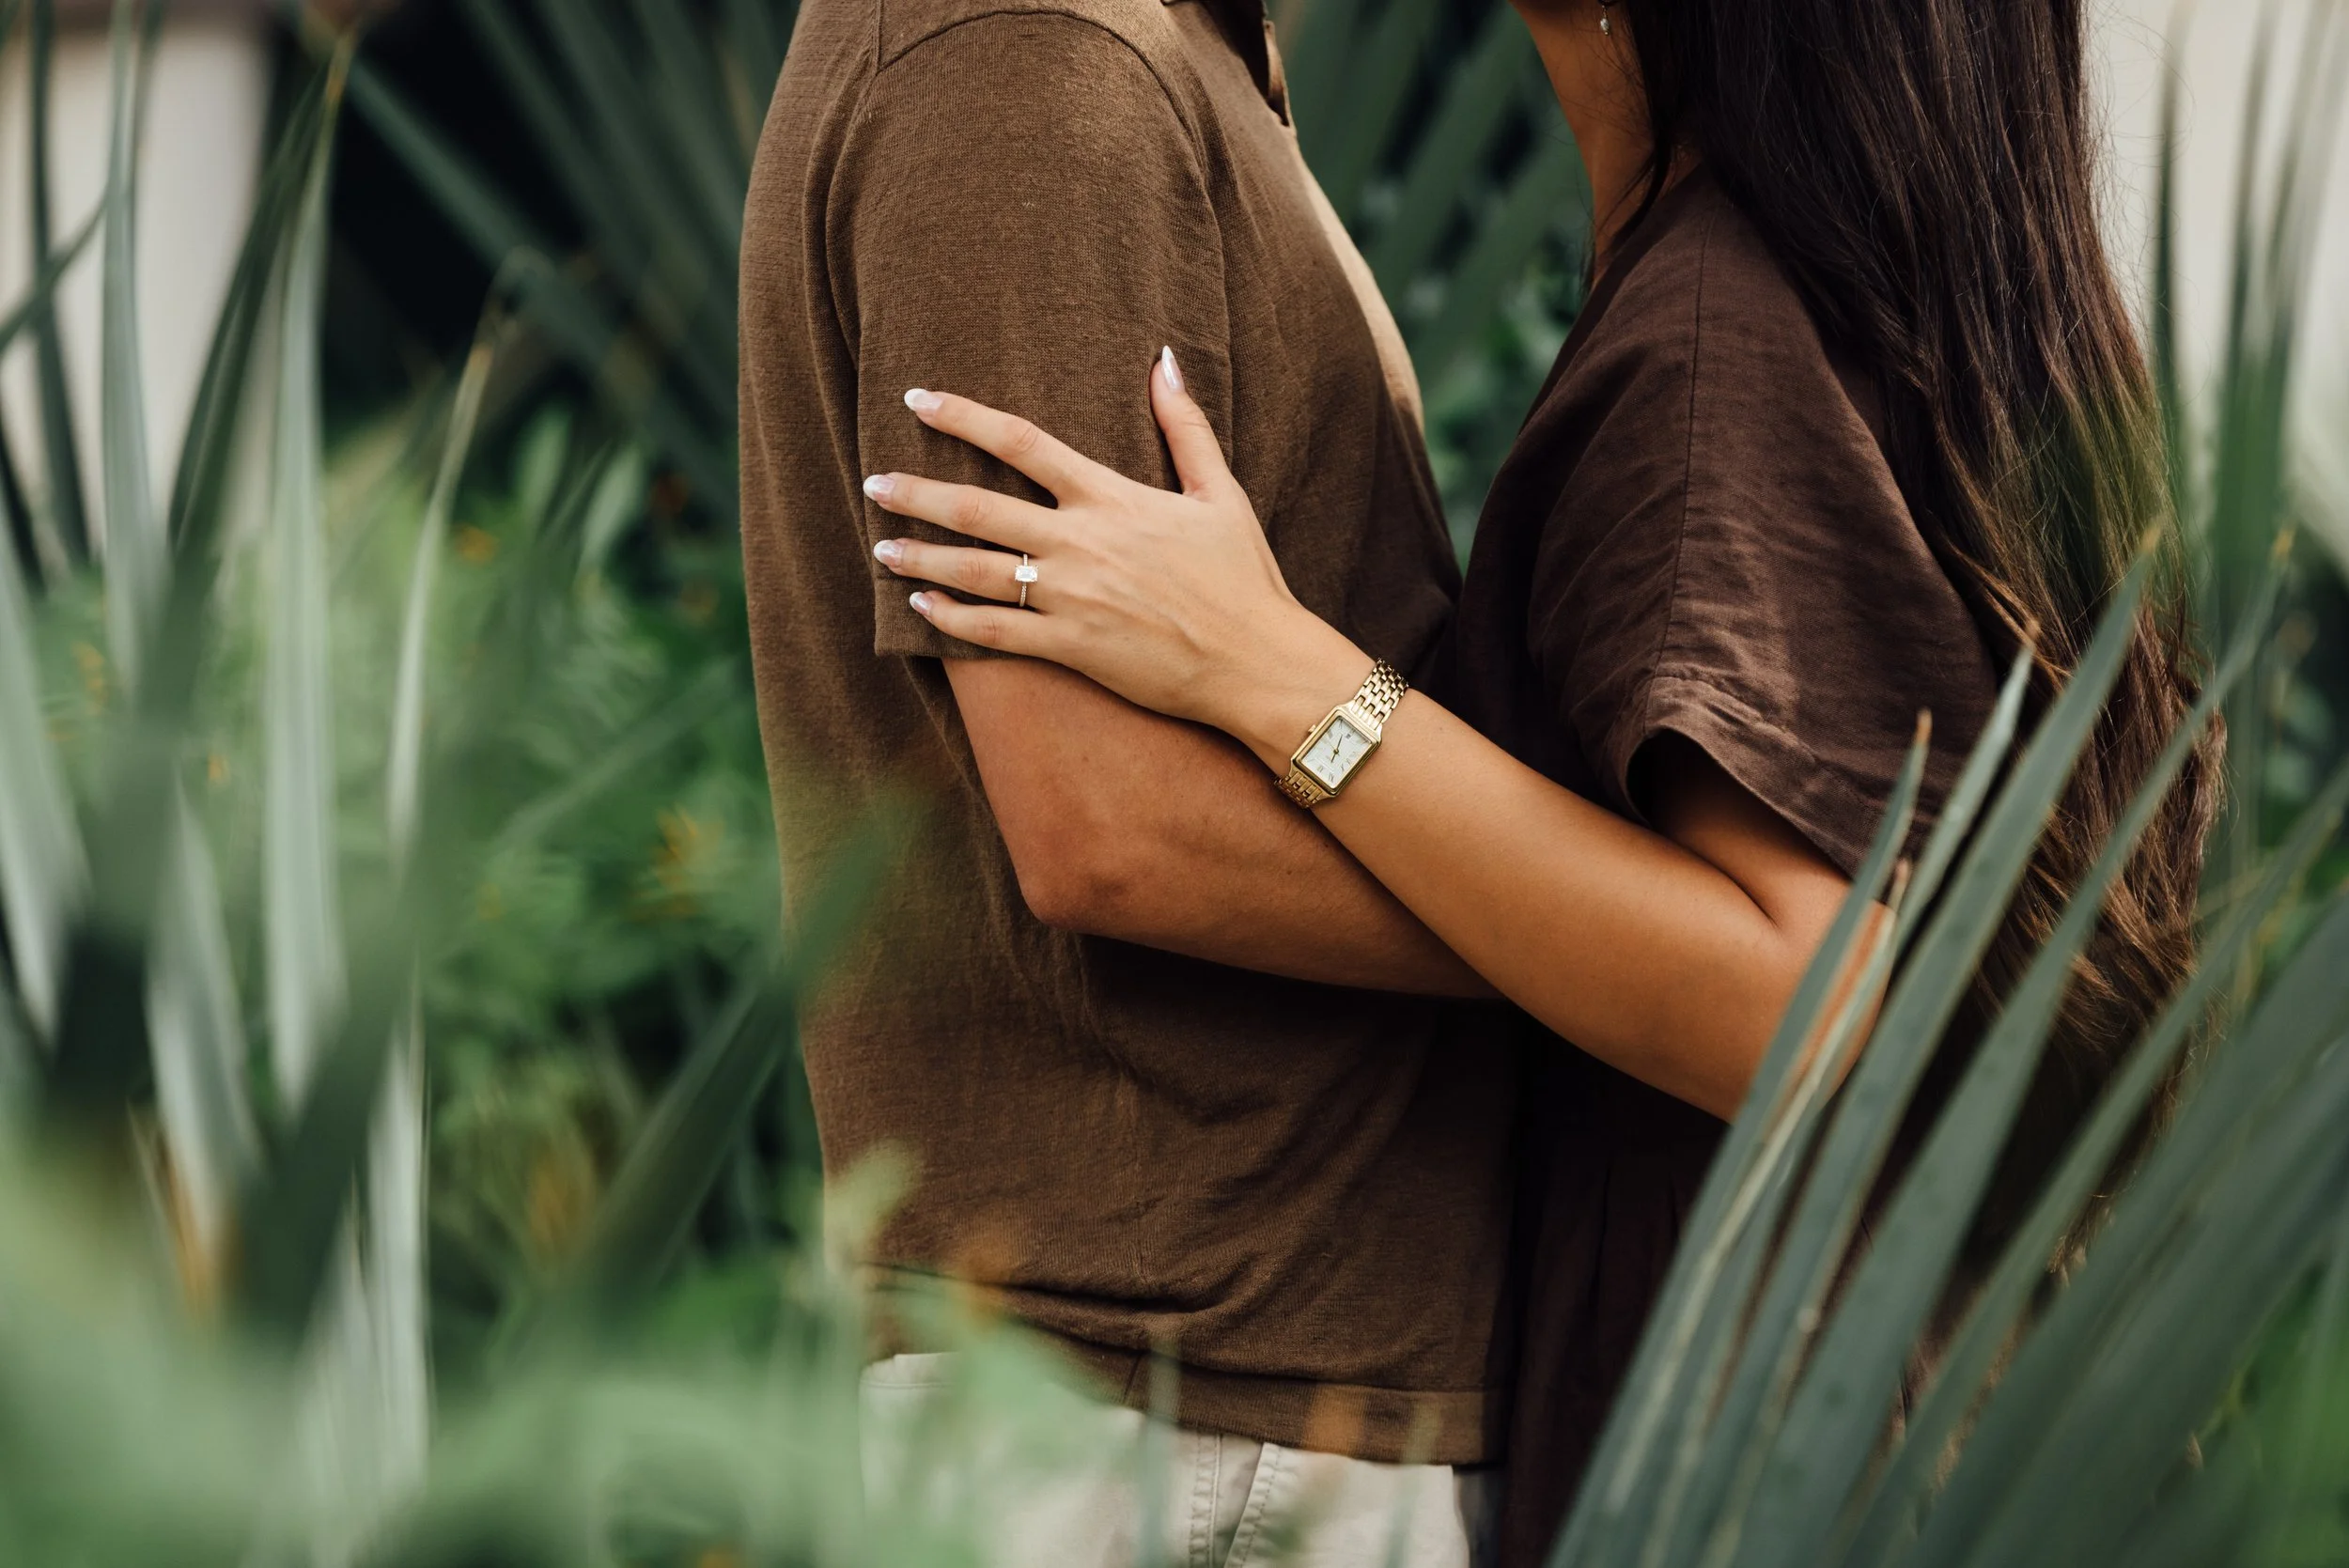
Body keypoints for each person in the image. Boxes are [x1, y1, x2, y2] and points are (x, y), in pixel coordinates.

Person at [859, 0, 2218, 1562]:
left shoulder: (1717, 335)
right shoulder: (1839, 308)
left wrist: (1277, 673)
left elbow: (1799, 998)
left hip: (1754, 1457)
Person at [738, 1, 1517, 1564]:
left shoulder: (1147, 46)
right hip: (1179, 1423)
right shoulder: (1025, 60)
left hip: (1211, 1398)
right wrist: (1630, 937)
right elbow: (1106, 825)